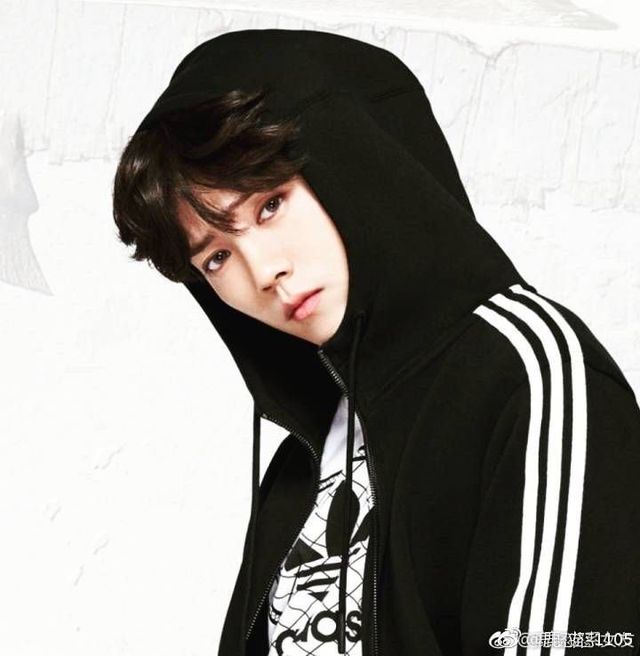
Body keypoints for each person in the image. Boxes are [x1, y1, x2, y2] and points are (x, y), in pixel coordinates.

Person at [112, 29, 640, 656]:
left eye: (270, 205)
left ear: (351, 161)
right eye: (217, 256)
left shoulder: (536, 380)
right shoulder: (312, 450)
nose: (263, 272)